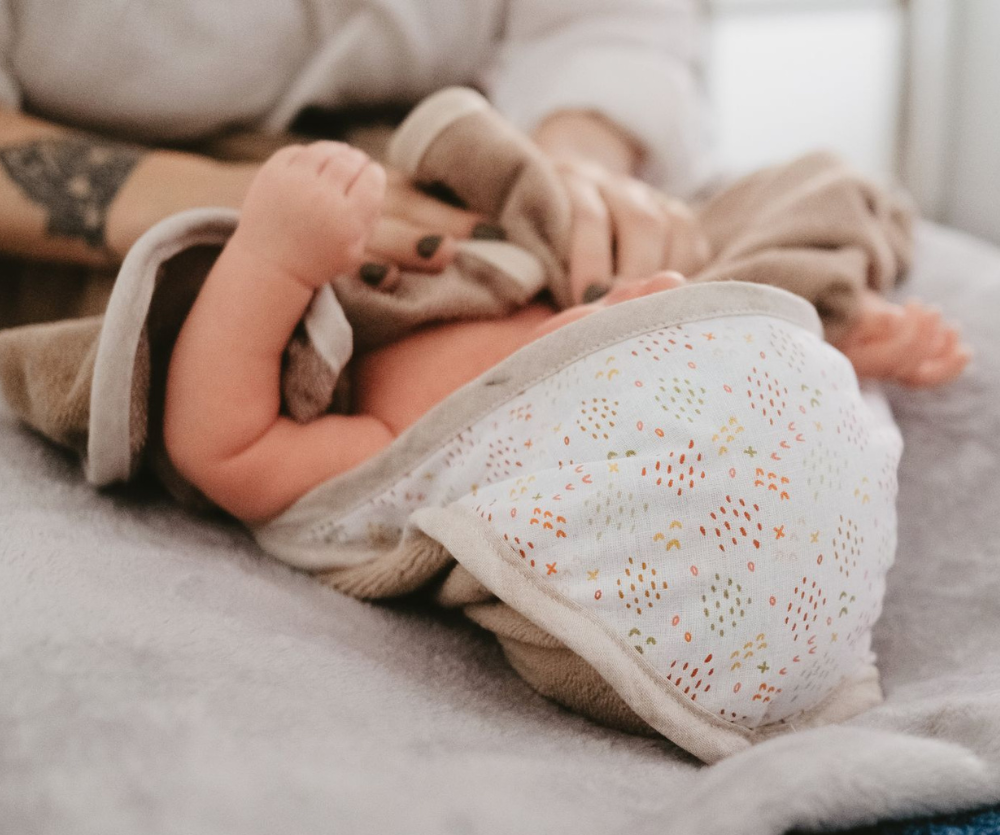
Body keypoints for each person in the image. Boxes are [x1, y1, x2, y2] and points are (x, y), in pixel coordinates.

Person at [162, 139, 972, 525]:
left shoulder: (411, 442)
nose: (655, 302)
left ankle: (789, 322)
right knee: (826, 185)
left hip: (344, 247)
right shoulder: (659, 299)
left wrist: (269, 255)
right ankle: (810, 314)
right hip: (543, 237)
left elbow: (224, 449)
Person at [0, 0, 710, 306]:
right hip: (128, 197)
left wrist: (573, 168)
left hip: (457, 145)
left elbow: (604, 29)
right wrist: (245, 208)